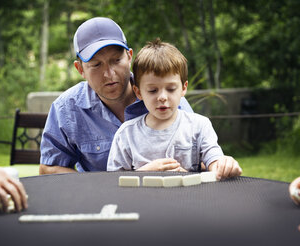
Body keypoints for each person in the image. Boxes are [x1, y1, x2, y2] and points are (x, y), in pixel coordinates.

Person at [39, 17, 193, 174]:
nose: (109, 74)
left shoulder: (168, 99)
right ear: (80, 69)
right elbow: (48, 168)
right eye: (96, 65)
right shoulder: (66, 109)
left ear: (129, 57)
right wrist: (96, 189)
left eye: (116, 60)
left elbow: (199, 158)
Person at [107, 39, 242, 180]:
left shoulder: (199, 126)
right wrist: (143, 174)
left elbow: (214, 160)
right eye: (153, 90)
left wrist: (224, 165)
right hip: (143, 201)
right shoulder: (126, 134)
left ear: (183, 88)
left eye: (171, 89)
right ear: (138, 92)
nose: (162, 97)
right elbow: (113, 181)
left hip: (188, 199)